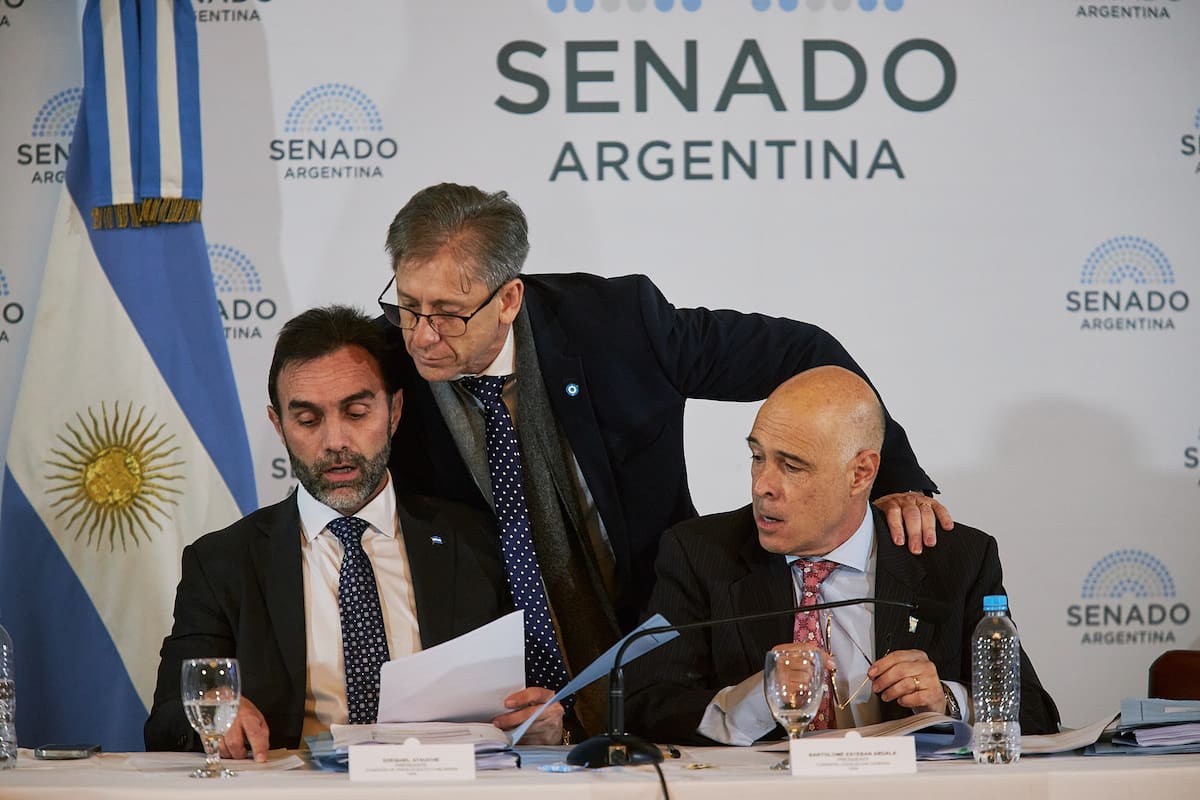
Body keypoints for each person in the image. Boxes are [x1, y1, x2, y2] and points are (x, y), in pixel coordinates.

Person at [379, 182, 952, 729]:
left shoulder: (614, 324)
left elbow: (807, 356)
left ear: (508, 299)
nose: (422, 335)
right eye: (408, 306)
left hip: (656, 641)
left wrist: (895, 476)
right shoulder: (384, 364)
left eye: (449, 313)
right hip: (494, 677)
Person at [144, 306, 563, 758]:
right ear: (278, 426)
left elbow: (526, 703)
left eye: (357, 412)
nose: (335, 442)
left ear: (395, 411)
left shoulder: (476, 540)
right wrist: (214, 709)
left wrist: (539, 728)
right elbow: (168, 718)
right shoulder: (223, 562)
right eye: (308, 420)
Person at [623, 366, 1060, 745]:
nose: (762, 486)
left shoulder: (953, 558)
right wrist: (756, 699)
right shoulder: (701, 551)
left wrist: (947, 699)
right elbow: (645, 707)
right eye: (758, 457)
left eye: (792, 466)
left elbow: (1038, 715)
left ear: (861, 472)